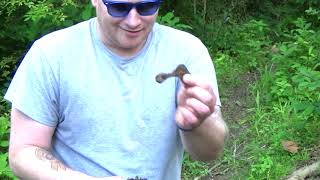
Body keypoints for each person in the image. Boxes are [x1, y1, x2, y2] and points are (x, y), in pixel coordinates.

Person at [4, 0, 229, 179]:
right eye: (119, 7)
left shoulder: (187, 51)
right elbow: (23, 152)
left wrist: (199, 123)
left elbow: (210, 152)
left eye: (146, 7)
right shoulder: (51, 55)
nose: (133, 21)